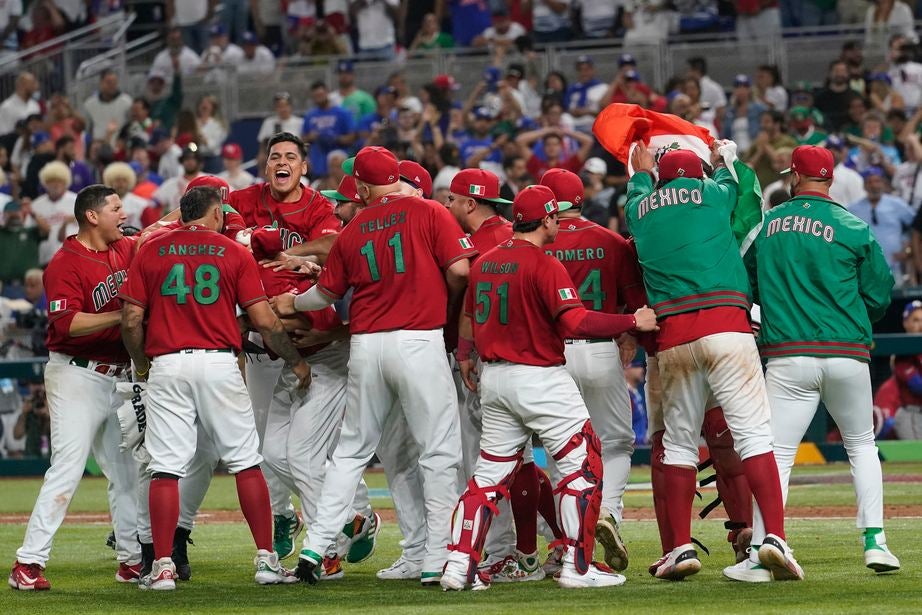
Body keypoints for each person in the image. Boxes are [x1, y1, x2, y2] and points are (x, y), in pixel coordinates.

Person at [272, 146, 473, 586]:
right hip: (419, 340)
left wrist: (291, 301)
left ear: (361, 186)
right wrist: (443, 297)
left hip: (365, 347)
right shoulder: (429, 212)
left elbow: (322, 296)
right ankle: (435, 560)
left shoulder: (355, 226)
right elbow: (459, 269)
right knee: (438, 452)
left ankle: (316, 547)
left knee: (350, 453)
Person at [441, 184, 658, 591]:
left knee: (488, 475)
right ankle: (577, 566)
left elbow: (468, 317)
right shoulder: (543, 263)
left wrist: (468, 354)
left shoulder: (486, 262)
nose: (558, 222)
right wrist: (631, 323)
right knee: (585, 465)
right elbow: (575, 322)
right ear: (545, 219)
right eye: (554, 217)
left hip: (496, 379)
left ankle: (458, 562)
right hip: (539, 377)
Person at [119, 186, 309, 590]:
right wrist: (294, 360)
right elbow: (265, 321)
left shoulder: (151, 250)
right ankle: (266, 560)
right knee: (244, 461)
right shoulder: (233, 251)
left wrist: (140, 364)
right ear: (217, 214)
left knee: (166, 467)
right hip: (219, 362)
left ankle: (164, 565)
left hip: (167, 363)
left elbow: (132, 319)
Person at [626, 143, 800, 581]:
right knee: (755, 437)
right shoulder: (713, 192)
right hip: (727, 326)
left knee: (679, 445)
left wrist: (642, 172)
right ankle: (773, 537)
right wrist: (729, 157)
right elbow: (742, 191)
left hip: (673, 335)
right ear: (698, 175)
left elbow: (636, 191)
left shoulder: (639, 207)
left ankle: (679, 548)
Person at [734, 144, 900, 582]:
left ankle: (759, 550)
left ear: (793, 176)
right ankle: (875, 543)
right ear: (830, 178)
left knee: (776, 455)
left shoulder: (767, 226)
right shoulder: (852, 225)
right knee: (862, 445)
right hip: (847, 351)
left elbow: (743, 286)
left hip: (788, 354)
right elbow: (881, 295)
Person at [9, 185, 144, 591]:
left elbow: (158, 229)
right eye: (117, 208)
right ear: (92, 216)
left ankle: (132, 560)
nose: (125, 214)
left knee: (126, 474)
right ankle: (27, 563)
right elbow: (66, 324)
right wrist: (121, 316)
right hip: (77, 375)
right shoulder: (65, 262)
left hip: (118, 376)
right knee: (67, 467)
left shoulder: (124, 247)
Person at [228, 132, 342, 558]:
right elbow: (201, 204)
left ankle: (346, 520)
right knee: (268, 449)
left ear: (303, 167)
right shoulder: (244, 198)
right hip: (263, 345)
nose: (282, 162)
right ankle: (287, 517)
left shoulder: (316, 205)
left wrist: (295, 254)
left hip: (310, 338)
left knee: (311, 451)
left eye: (290, 157)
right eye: (274, 156)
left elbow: (333, 244)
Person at [540, 168, 650, 574]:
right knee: (618, 442)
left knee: (560, 448)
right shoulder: (609, 240)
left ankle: (567, 540)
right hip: (602, 347)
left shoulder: (534, 244)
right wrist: (631, 338)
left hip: (550, 353)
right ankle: (609, 512)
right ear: (582, 200)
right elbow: (635, 299)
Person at [848, 167, 914, 283]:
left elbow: (916, 227)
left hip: (893, 266)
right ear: (864, 186)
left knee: (896, 299)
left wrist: (907, 248)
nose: (874, 185)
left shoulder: (896, 204)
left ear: (883, 183)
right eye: (869, 182)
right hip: (865, 268)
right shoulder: (853, 209)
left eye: (877, 181)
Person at [83, 69, 134, 145]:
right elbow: (87, 129)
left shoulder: (127, 102)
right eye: (109, 82)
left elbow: (132, 125)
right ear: (101, 83)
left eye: (114, 82)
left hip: (119, 148)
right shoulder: (90, 104)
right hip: (98, 149)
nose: (112, 86)